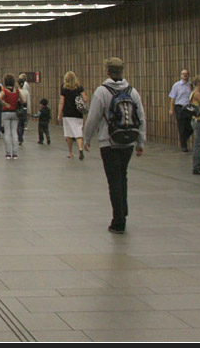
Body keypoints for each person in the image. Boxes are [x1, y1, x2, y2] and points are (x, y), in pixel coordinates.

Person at [83, 57, 146, 234]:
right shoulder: (133, 91)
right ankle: (123, 211)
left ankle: (118, 220)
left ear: (107, 72)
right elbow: (140, 117)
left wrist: (87, 138)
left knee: (114, 181)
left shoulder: (102, 92)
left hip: (108, 142)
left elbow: (94, 117)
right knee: (122, 176)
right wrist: (140, 141)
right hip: (128, 142)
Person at [59, 71, 88, 160]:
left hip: (67, 114)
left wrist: (59, 114)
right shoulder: (79, 88)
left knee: (69, 134)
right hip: (77, 113)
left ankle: (70, 152)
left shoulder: (64, 88)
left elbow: (62, 102)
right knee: (78, 132)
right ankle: (80, 149)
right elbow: (85, 99)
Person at [168, 69, 194, 153]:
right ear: (180, 75)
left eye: (186, 74)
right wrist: (171, 109)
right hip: (179, 107)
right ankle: (184, 145)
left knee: (190, 126)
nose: (185, 75)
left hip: (188, 107)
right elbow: (173, 98)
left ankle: (184, 139)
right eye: (183, 74)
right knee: (181, 126)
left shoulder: (190, 85)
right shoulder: (176, 85)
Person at [0, 74, 21, 160]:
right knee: (14, 132)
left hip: (6, 112)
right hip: (15, 113)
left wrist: (5, 104)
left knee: (7, 132)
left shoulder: (4, 91)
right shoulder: (17, 91)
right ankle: (15, 154)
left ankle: (8, 153)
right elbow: (23, 100)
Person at [17, 73, 30, 145]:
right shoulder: (26, 92)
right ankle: (21, 136)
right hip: (24, 109)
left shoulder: (16, 92)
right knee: (22, 124)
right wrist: (29, 110)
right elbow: (28, 102)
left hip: (17, 110)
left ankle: (19, 136)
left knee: (18, 124)